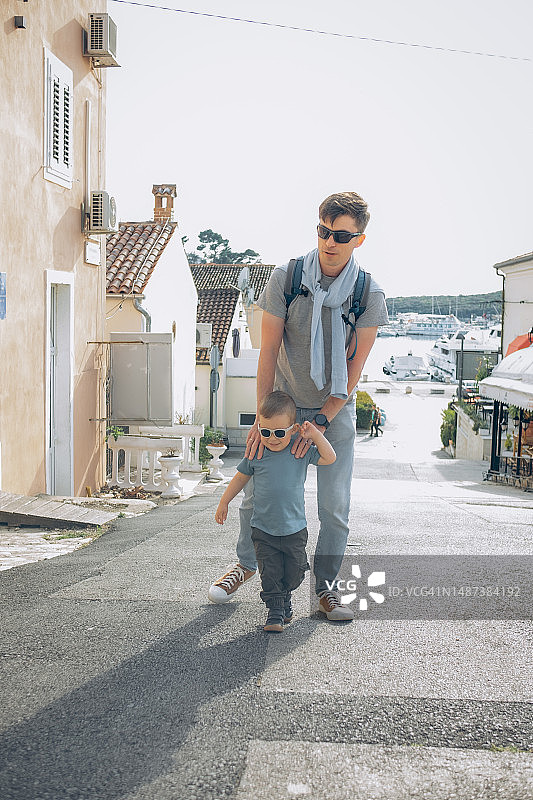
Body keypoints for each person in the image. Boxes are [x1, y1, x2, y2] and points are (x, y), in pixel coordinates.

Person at [208, 191, 389, 621]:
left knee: (334, 509)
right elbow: (268, 351)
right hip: (283, 410)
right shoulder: (288, 278)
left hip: (333, 412)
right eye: (324, 231)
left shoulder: (367, 294)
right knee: (256, 496)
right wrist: (261, 419)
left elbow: (354, 365)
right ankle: (246, 565)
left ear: (358, 240)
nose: (330, 242)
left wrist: (325, 419)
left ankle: (324, 589)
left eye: (341, 236)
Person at [215, 391, 336, 632]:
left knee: (294, 573)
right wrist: (224, 502)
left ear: (292, 429)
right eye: (265, 431)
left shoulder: (299, 451)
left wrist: (314, 435)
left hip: (294, 530)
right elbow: (240, 478)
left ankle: (284, 599)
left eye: (279, 432)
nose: (272, 438)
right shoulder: (256, 454)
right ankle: (275, 611)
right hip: (263, 529)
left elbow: (330, 458)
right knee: (269, 574)